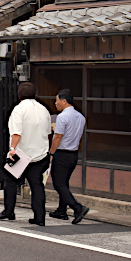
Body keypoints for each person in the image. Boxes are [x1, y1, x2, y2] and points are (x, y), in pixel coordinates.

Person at [0, 81, 52, 225]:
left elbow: (16, 133)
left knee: (10, 181)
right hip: (41, 154)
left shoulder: (19, 109)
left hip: (21, 154)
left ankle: (9, 211)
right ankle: (39, 217)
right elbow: (48, 132)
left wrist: (12, 149)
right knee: (37, 185)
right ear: (35, 94)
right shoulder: (44, 109)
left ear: (19, 96)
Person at [49, 89, 89, 224]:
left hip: (62, 153)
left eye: (57, 100)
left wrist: (51, 153)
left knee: (58, 183)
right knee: (64, 182)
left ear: (64, 101)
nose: (55, 103)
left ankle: (78, 208)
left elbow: (58, 136)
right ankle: (61, 210)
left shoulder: (62, 117)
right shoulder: (81, 117)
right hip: (73, 154)